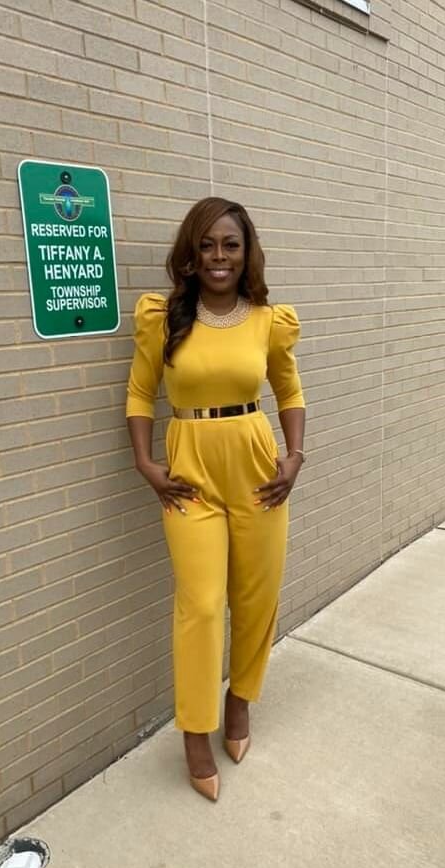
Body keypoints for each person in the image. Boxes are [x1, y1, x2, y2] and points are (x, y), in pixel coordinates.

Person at [125, 197, 306, 802]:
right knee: (201, 605)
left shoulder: (267, 320)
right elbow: (140, 393)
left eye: (230, 244)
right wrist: (146, 463)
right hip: (191, 475)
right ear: (192, 253)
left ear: (247, 252)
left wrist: (295, 457)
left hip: (257, 471)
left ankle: (240, 699)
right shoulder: (164, 318)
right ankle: (196, 733)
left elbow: (289, 391)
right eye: (207, 245)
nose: (219, 256)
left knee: (256, 598)